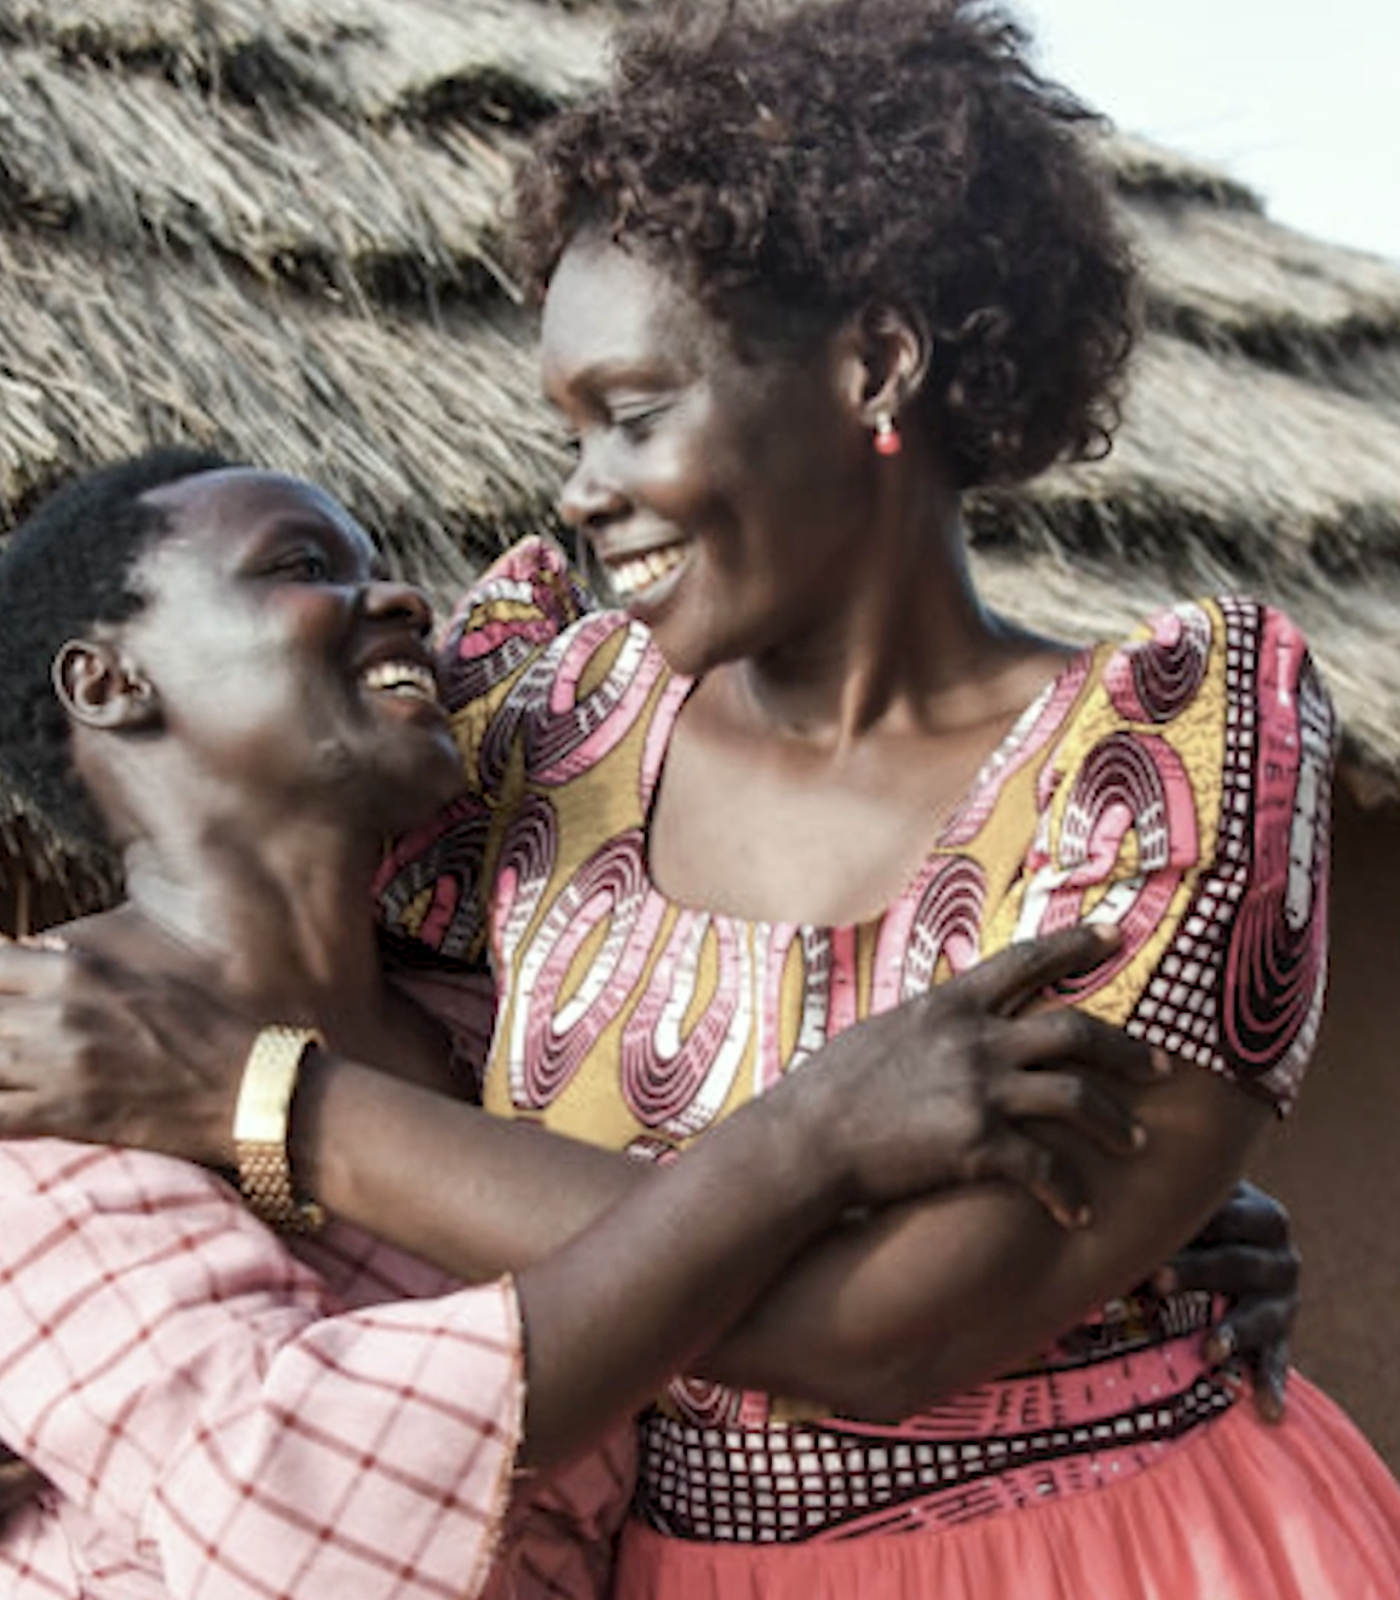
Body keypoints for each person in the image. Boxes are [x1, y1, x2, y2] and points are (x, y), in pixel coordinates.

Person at [0, 0, 1388, 1596]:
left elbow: (891, 1337)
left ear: (874, 362)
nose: (581, 493)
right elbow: (230, 872)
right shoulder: (543, 733)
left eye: (636, 413)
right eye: (568, 428)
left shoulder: (1154, 754)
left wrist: (262, 1100)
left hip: (1107, 1551)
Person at [0, 448, 1180, 1598]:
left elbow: (768, 1267)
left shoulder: (495, 1020)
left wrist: (1137, 1248)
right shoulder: (46, 1050)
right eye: (299, 563)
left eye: (378, 558)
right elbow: (290, 1505)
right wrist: (803, 1138)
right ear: (109, 682)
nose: (403, 596)